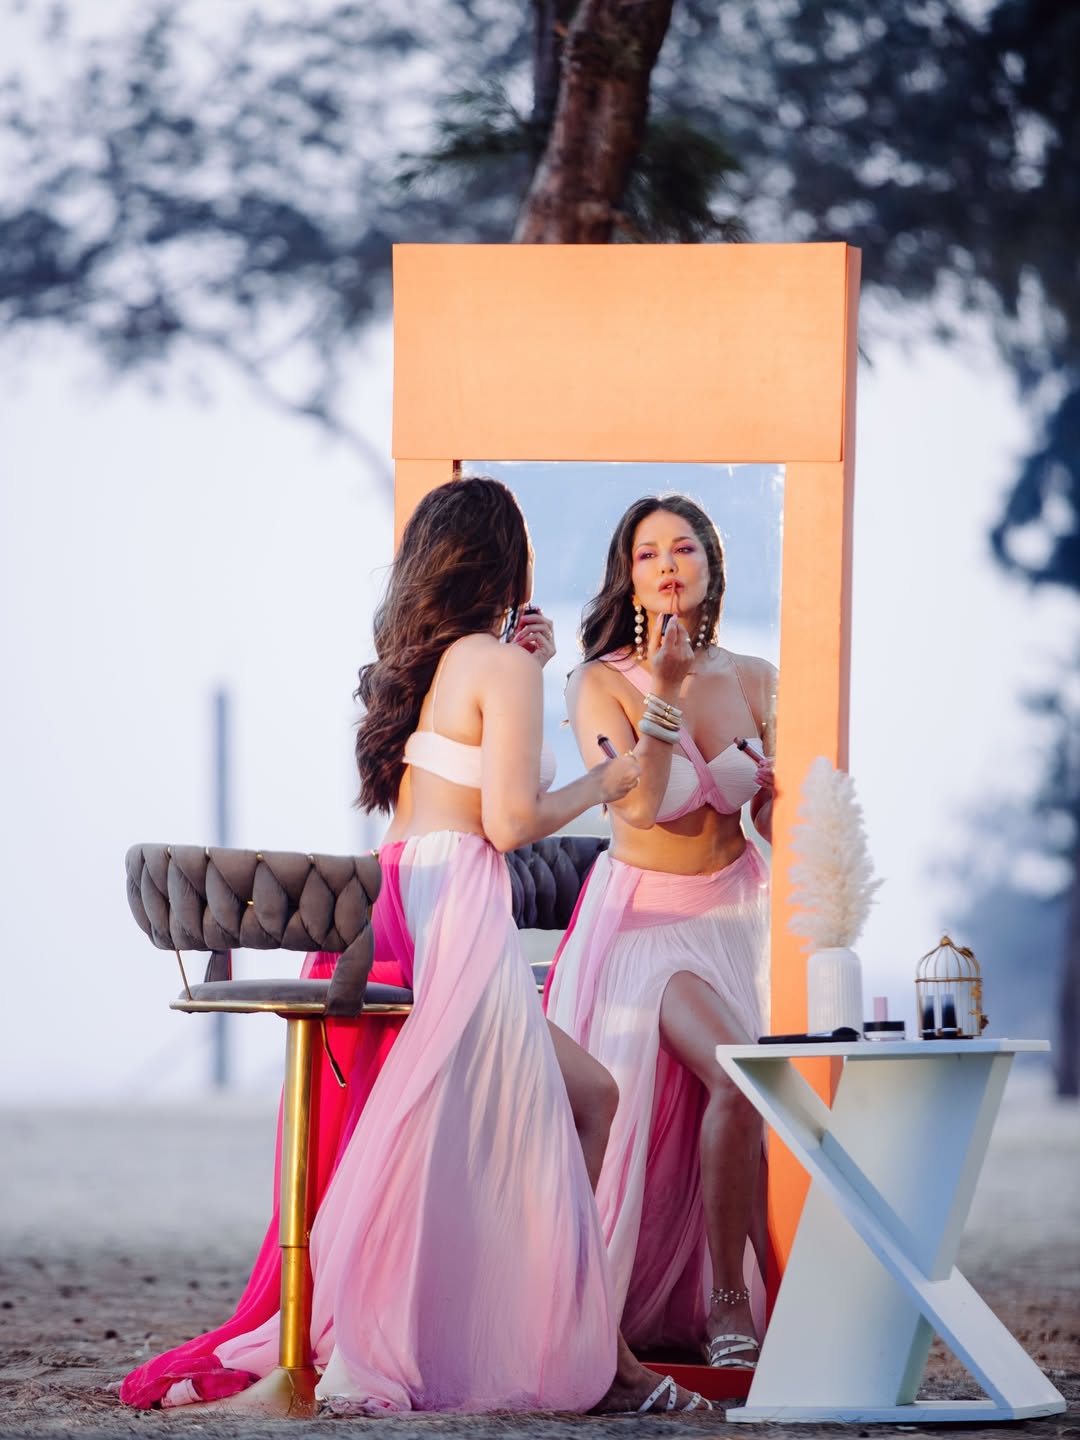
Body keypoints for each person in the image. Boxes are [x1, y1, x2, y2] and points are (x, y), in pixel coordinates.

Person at [123, 476, 707, 1414]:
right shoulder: (497, 667)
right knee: (519, 1120)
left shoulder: (431, 663)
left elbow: (460, 795)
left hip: (408, 896)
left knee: (582, 1099)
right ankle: (587, 1353)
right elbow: (509, 825)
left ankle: (572, 1332)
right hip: (460, 907)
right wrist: (607, 784)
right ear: (503, 560)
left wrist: (527, 661)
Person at [545, 492, 776, 1373]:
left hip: (734, 917)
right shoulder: (598, 683)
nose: (668, 565)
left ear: (712, 564)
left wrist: (785, 800)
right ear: (628, 577)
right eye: (647, 554)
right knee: (736, 1073)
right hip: (644, 928)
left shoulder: (755, 677)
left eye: (684, 548)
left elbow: (777, 819)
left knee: (755, 1092)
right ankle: (726, 1301)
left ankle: (747, 1285)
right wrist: (669, 693)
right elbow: (638, 803)